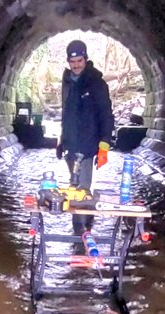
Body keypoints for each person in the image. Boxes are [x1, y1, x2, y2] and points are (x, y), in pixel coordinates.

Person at [57, 39, 114, 235]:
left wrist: (105, 143)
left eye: (79, 60)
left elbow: (106, 114)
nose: (76, 65)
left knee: (82, 186)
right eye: (72, 61)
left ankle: (82, 229)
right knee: (73, 185)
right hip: (71, 145)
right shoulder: (67, 82)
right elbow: (67, 114)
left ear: (85, 59)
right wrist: (61, 139)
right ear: (68, 61)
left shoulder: (96, 84)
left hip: (88, 145)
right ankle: (81, 225)